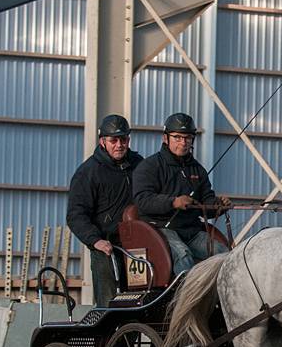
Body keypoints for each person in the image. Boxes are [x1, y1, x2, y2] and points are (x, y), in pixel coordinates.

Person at [132, 112, 230, 276]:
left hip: (191, 230)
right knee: (183, 255)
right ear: (165, 138)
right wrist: (173, 202)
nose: (183, 142)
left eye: (187, 138)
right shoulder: (149, 166)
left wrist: (218, 205)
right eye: (177, 137)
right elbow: (143, 200)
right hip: (160, 228)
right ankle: (186, 299)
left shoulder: (198, 170)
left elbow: (206, 202)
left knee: (225, 254)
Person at [67, 114, 143, 306]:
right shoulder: (88, 172)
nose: (119, 145)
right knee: (109, 302)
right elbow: (76, 214)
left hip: (136, 245)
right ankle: (108, 335)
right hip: (106, 246)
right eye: (113, 140)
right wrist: (95, 241)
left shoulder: (139, 165)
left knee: (140, 298)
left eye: (123, 139)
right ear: (103, 141)